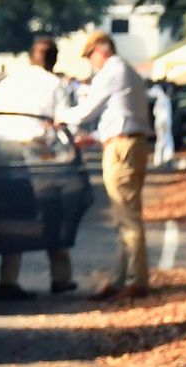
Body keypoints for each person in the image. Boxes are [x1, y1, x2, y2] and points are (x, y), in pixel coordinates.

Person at [61, 31, 154, 299]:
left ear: (101, 50)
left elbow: (87, 110)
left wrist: (60, 117)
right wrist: (95, 137)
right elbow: (122, 115)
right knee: (125, 214)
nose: (92, 62)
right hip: (129, 142)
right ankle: (121, 276)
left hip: (121, 147)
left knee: (127, 217)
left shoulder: (112, 71)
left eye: (91, 56)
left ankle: (137, 280)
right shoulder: (129, 72)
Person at [0, 37, 77, 299]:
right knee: (52, 210)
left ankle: (8, 278)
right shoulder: (55, 84)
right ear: (54, 59)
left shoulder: (10, 81)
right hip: (39, 151)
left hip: (6, 153)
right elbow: (63, 122)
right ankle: (61, 276)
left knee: (15, 215)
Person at [150, 81, 175, 167]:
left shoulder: (161, 98)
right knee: (166, 139)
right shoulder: (163, 97)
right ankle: (166, 158)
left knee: (161, 140)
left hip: (160, 122)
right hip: (164, 122)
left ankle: (159, 160)